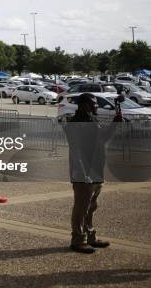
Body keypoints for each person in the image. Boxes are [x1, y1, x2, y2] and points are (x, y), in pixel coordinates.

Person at [64, 93, 114, 254]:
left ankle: (90, 236)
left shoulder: (92, 120)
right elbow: (76, 150)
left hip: (96, 169)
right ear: (84, 105)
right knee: (81, 207)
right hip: (83, 172)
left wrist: (115, 124)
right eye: (94, 103)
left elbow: (103, 139)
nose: (96, 106)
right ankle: (78, 240)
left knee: (91, 206)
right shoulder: (76, 123)